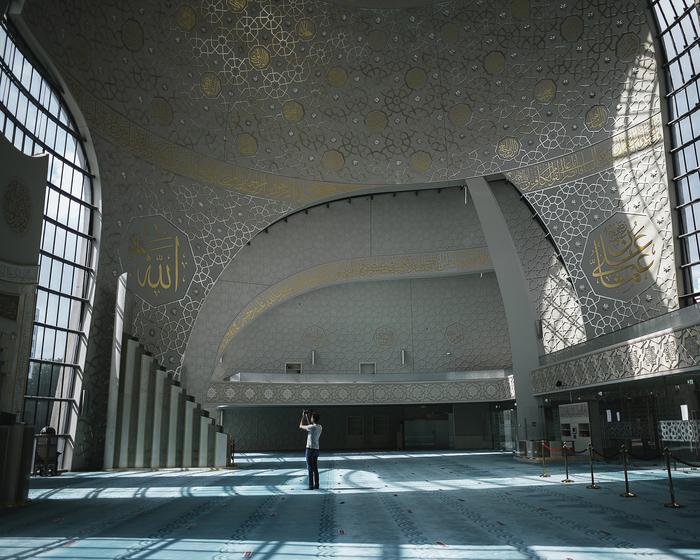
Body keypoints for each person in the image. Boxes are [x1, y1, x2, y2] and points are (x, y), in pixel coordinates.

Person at [299, 410, 322, 489]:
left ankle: (311, 485)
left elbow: (301, 426)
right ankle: (317, 484)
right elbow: (310, 426)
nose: (311, 418)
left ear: (313, 419)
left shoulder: (311, 427)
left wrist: (303, 416)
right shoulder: (319, 427)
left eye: (311, 417)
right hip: (316, 449)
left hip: (309, 449)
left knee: (310, 468)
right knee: (315, 468)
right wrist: (307, 417)